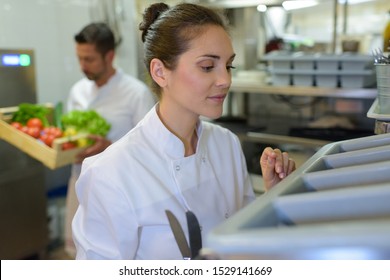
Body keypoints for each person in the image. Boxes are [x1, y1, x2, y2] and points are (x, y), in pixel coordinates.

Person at [72, 3, 295, 260]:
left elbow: (241, 240)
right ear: (160, 72)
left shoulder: (227, 144)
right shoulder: (110, 173)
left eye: (228, 66)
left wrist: (273, 196)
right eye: (208, 66)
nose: (225, 80)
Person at [64, 22, 156, 258]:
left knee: (114, 255)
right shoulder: (77, 91)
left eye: (90, 59)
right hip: (79, 181)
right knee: (79, 253)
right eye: (79, 58)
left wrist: (109, 148)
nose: (83, 66)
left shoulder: (136, 94)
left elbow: (149, 151)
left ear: (110, 56)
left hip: (120, 192)